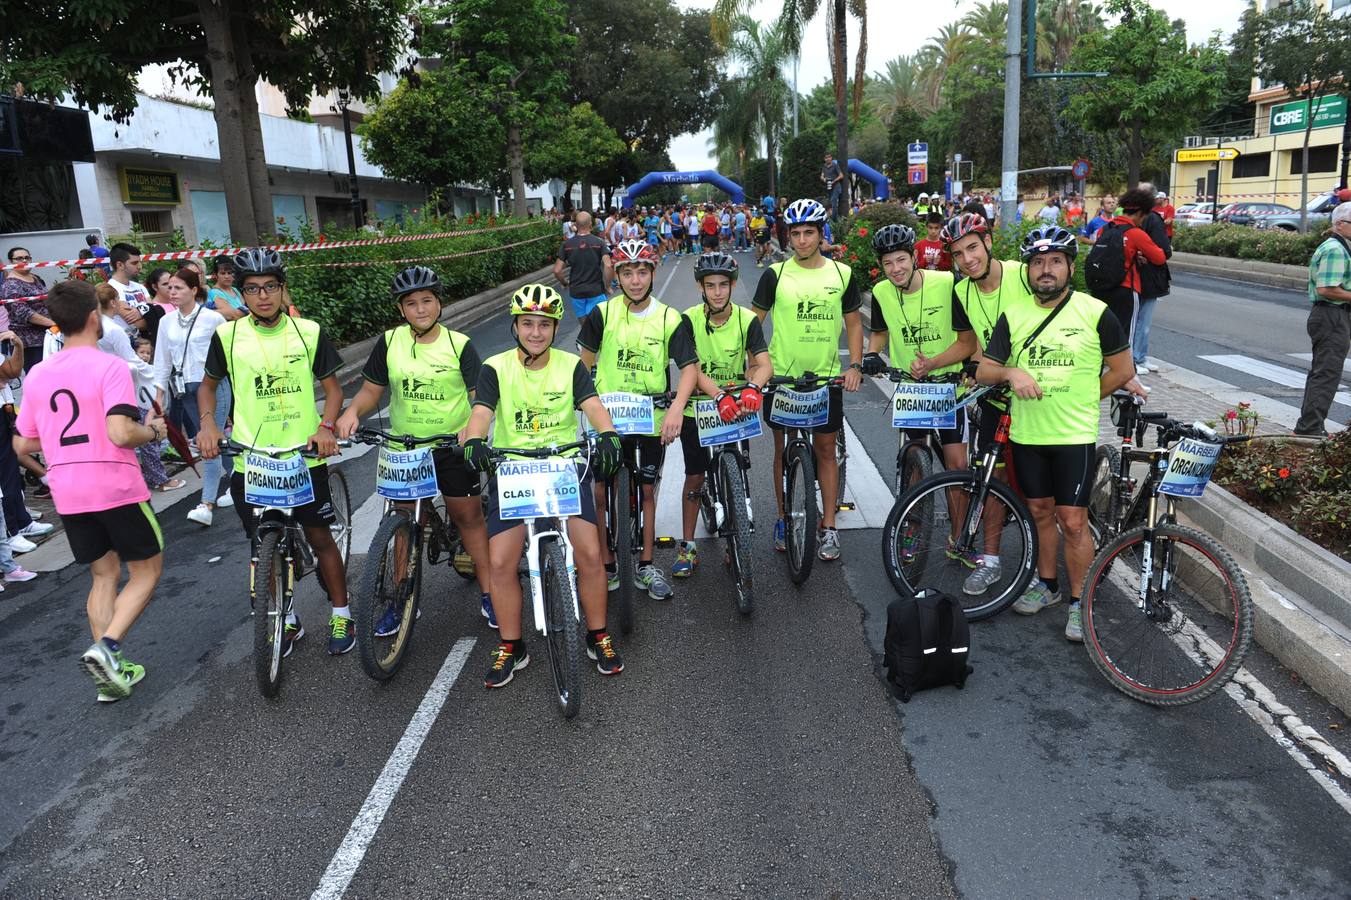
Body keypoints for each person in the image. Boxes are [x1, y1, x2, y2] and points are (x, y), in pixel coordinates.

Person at [976, 226, 1136, 642]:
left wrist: (1084, 398)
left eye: (1055, 262)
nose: (1046, 270)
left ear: (1069, 267)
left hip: (1072, 436)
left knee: (1074, 522)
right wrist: (1011, 371)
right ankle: (1047, 585)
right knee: (1041, 514)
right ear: (1029, 269)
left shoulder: (1096, 312)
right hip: (1027, 435)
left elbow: (1123, 371)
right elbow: (984, 370)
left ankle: (1079, 602)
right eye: (1038, 263)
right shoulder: (1014, 315)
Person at [461, 284, 625, 685]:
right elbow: (481, 413)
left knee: (589, 552)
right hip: (514, 470)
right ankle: (511, 646)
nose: (536, 332)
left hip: (563, 468)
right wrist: (475, 440)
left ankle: (597, 634)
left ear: (555, 329)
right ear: (515, 327)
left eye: (545, 325)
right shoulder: (494, 368)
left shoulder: (571, 366)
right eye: (528, 324)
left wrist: (607, 434)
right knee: (500, 562)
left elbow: (594, 408)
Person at [196, 248, 353, 656]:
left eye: (270, 287)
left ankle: (341, 613)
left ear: (283, 290)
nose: (262, 296)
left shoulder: (309, 332)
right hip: (252, 457)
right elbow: (208, 386)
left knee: (320, 537)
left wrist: (325, 427)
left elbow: (334, 390)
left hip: (303, 454)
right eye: (252, 289)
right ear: (241, 295)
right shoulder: (227, 336)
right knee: (260, 543)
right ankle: (287, 618)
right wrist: (209, 423)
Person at [15, 280, 166, 701]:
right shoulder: (110, 367)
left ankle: (111, 679)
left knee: (103, 576)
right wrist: (152, 432)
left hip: (68, 487)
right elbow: (120, 432)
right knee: (147, 570)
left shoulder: (40, 373)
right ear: (93, 318)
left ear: (57, 325)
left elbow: (24, 443)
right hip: (114, 484)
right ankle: (108, 648)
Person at [335, 266, 495, 630]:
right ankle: (399, 598)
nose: (420, 309)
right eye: (411, 303)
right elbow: (372, 390)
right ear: (401, 310)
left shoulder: (459, 345)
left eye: (427, 301)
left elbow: (478, 397)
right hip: (405, 449)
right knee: (403, 521)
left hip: (451, 449)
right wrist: (351, 412)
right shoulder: (390, 342)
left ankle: (491, 594)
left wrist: (471, 430)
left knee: (468, 519)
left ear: (439, 303)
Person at [577, 239, 699, 600]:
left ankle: (645, 564)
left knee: (647, 490)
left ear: (652, 272)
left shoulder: (669, 317)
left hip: (650, 418)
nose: (635, 280)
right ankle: (607, 564)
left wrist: (676, 408)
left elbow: (689, 370)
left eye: (642, 271)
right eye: (627, 272)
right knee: (599, 490)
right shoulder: (603, 313)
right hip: (609, 420)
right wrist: (582, 402)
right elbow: (582, 365)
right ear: (617, 275)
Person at [751, 198, 864, 562]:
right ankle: (783, 519)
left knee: (826, 451)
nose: (801, 240)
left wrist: (856, 366)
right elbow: (753, 324)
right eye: (795, 233)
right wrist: (753, 366)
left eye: (809, 233)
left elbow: (854, 323)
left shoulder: (842, 274)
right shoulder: (775, 275)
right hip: (782, 378)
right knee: (781, 451)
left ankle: (829, 526)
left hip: (826, 379)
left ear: (820, 234)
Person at [941, 212, 1039, 595]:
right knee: (991, 478)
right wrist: (969, 366)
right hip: (998, 396)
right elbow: (972, 343)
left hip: (1037, 395)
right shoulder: (962, 290)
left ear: (988, 244)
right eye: (958, 254)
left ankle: (1044, 569)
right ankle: (992, 561)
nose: (967, 259)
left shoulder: (1021, 274)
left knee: (1039, 490)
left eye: (972, 248)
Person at [672, 252, 771, 578]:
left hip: (738, 403)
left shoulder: (746, 319)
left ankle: (737, 535)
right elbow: (691, 367)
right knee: (695, 477)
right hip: (700, 404)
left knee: (739, 466)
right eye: (710, 286)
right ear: (701, 287)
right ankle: (688, 546)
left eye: (723, 285)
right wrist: (717, 395)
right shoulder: (687, 320)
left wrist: (753, 388)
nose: (717, 292)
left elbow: (763, 363)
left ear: (731, 286)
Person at [153, 266, 230, 523]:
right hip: (185, 389)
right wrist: (158, 395)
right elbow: (162, 362)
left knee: (208, 442)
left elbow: (228, 358)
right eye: (169, 288)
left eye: (178, 288)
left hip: (214, 386)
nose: (172, 292)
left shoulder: (213, 319)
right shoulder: (166, 322)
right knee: (211, 441)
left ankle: (206, 504)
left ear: (194, 291)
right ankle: (238, 481)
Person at [1295, 202, 1351, 437]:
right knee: (1327, 373)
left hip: (1334, 314)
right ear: (1339, 224)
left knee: (1324, 371)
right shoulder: (1335, 249)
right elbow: (1328, 288)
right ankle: (1309, 429)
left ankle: (1311, 426)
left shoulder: (1340, 247)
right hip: (1331, 315)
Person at [1093, 187, 1167, 362]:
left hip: (1102, 287)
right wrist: (1139, 254)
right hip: (1126, 288)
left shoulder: (1106, 229)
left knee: (1103, 332)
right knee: (1127, 335)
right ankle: (1128, 377)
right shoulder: (1135, 233)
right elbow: (1159, 257)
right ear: (1141, 213)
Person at [1131, 184, 1173, 376]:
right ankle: (1136, 358)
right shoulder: (1153, 219)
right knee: (1142, 321)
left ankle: (1138, 357)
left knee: (1136, 319)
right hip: (1148, 275)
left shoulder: (1128, 218)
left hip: (1133, 274)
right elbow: (1163, 251)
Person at [2, 246, 56, 372]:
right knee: (38, 376)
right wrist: (52, 323)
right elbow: (23, 312)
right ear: (11, 262)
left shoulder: (36, 277)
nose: (24, 261)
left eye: (27, 257)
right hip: (29, 342)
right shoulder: (10, 285)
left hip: (48, 336)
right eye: (19, 258)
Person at [553, 211, 614, 320]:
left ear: (575, 225)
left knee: (585, 327)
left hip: (576, 291)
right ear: (590, 224)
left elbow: (557, 270)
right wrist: (608, 286)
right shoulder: (599, 242)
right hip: (596, 290)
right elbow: (608, 266)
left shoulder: (566, 245)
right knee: (599, 325)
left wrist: (565, 283)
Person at [206, 257, 246, 321]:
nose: (227, 276)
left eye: (229, 273)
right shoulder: (214, 292)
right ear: (216, 275)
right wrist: (245, 311)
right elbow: (233, 315)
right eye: (223, 273)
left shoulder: (235, 290)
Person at [821, 153, 846, 220]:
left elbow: (841, 175)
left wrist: (834, 181)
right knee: (829, 204)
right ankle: (833, 220)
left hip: (836, 186)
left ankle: (833, 220)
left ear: (831, 158)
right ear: (824, 159)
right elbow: (822, 176)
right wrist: (823, 179)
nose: (828, 159)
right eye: (826, 157)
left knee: (833, 203)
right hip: (828, 187)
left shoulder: (835, 165)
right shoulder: (824, 166)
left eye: (829, 157)